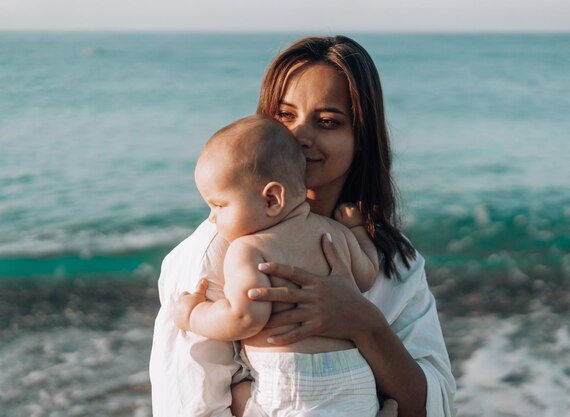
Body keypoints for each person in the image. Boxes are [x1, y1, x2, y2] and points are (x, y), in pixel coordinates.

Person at [150, 35, 455, 417]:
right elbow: (188, 405)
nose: (299, 137)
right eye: (285, 115)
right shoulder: (215, 252)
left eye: (327, 122)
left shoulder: (393, 258)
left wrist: (365, 324)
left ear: (361, 138)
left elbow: (432, 403)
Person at [174, 114, 381, 417]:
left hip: (291, 387)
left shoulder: (248, 248)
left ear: (272, 199)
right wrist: (358, 230)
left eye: (219, 205)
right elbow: (368, 275)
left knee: (240, 394)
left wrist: (194, 314)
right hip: (357, 383)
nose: (212, 218)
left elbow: (246, 317)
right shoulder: (334, 232)